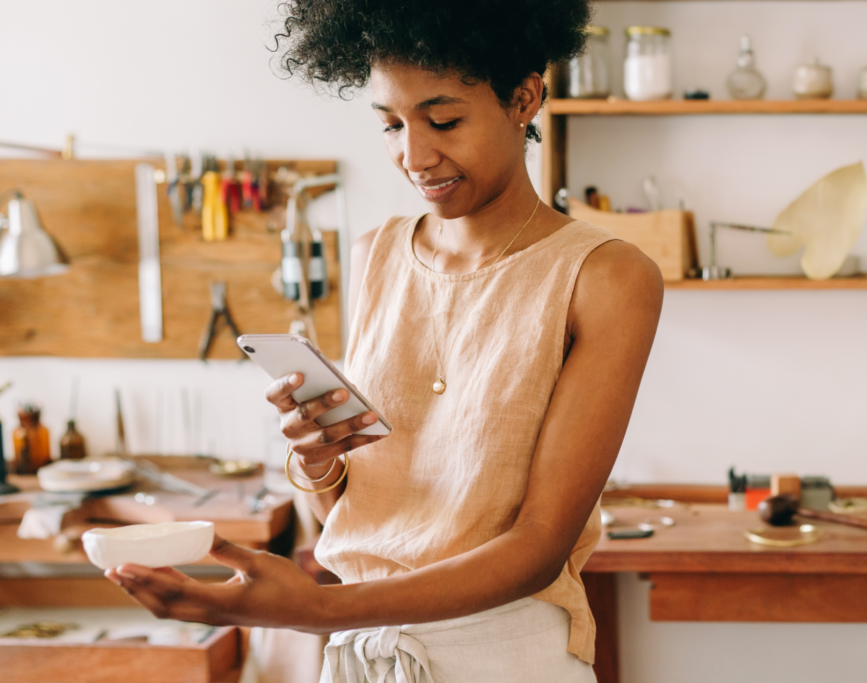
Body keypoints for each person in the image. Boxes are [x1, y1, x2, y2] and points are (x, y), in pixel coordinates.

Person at [105, 1, 663, 680]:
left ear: (525, 97)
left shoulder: (605, 276)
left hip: (500, 655)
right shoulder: (375, 255)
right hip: (358, 653)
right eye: (391, 125)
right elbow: (348, 514)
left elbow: (539, 545)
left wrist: (314, 609)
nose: (414, 155)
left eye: (444, 120)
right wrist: (316, 462)